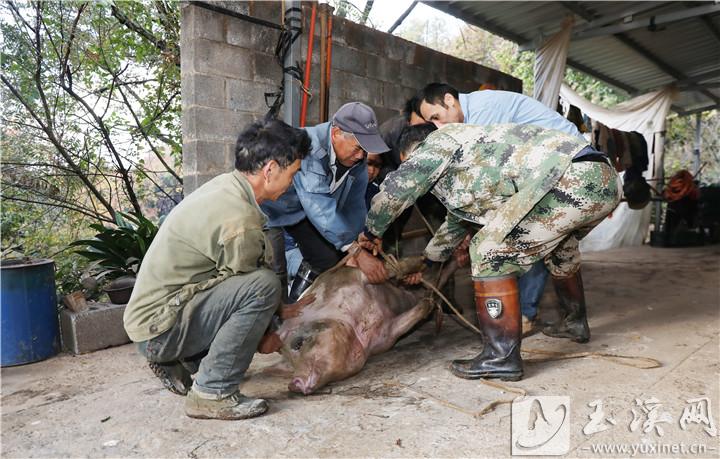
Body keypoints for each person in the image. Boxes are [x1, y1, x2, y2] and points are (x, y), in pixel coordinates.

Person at [361, 123, 621, 381]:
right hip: (601, 179)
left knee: (489, 253)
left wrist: (371, 232)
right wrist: (428, 262)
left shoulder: (438, 142)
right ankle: (574, 322)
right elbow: (456, 223)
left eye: (408, 162)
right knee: (560, 249)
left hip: (569, 179)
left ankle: (500, 357)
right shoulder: (472, 155)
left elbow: (398, 190)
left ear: (411, 152)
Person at [123, 118, 311, 420]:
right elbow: (249, 289)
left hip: (154, 319)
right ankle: (213, 391)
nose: (293, 182)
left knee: (259, 290)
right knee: (263, 285)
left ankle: (184, 363)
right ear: (271, 169)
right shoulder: (239, 220)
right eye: (293, 173)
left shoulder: (227, 188)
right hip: (160, 329)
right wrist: (269, 333)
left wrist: (275, 313)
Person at [416, 82, 586, 336]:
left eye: (438, 117)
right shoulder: (478, 112)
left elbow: (488, 184)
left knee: (495, 248)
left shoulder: (485, 115)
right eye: (433, 123)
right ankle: (575, 323)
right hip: (569, 167)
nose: (439, 127)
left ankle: (505, 343)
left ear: (450, 100)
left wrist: (469, 228)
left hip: (565, 168)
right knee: (559, 246)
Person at [261, 102, 390, 302]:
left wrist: (360, 236)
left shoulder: (356, 162)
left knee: (327, 259)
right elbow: (317, 204)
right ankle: (277, 322)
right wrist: (355, 251)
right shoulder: (307, 145)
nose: (362, 156)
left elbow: (354, 205)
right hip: (273, 210)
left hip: (301, 211)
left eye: (365, 150)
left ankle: (299, 305)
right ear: (336, 133)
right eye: (358, 148)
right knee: (275, 271)